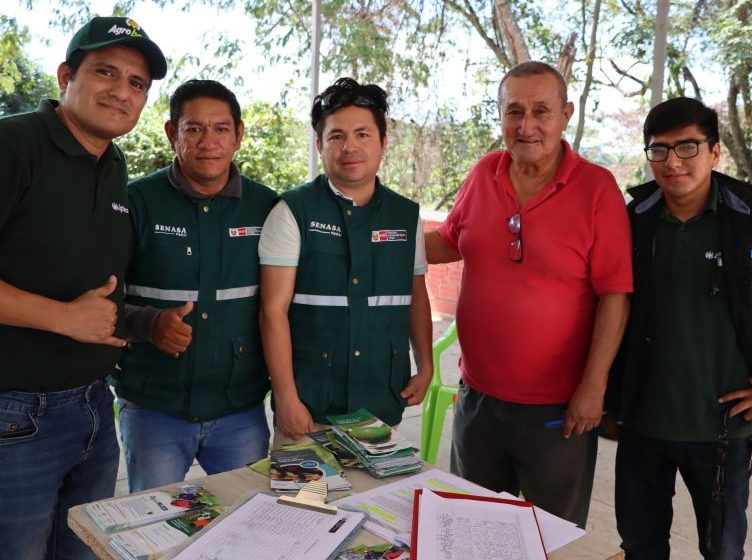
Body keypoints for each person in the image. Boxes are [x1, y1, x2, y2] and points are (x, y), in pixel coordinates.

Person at [607, 96, 752, 560]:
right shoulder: (632, 220)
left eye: (688, 147)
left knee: (723, 550)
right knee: (639, 546)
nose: (673, 162)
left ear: (715, 153)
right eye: (659, 150)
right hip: (642, 424)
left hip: (722, 430)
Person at [425, 61, 633, 526]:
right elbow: (447, 242)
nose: (527, 125)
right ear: (499, 116)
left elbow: (616, 296)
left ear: (567, 115)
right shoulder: (484, 172)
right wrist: (379, 238)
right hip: (477, 399)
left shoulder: (597, 189)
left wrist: (593, 388)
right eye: (513, 111)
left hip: (558, 410)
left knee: (548, 538)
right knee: (472, 532)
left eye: (541, 110)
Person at [0, 16, 166, 559]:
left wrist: (142, 323)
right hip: (16, 414)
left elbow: (94, 283)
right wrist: (60, 317)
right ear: (65, 75)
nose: (122, 91)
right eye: (106, 72)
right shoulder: (13, 145)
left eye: (137, 84)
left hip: (96, 407)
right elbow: (70, 307)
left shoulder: (113, 165)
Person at [113, 80, 276, 491]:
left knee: (250, 525)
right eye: (194, 129)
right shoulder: (135, 203)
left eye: (221, 129)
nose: (209, 141)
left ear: (239, 135)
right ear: (172, 133)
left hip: (240, 409)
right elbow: (97, 297)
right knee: (155, 535)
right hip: (154, 407)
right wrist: (148, 323)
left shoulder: (269, 208)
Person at [259, 77, 433, 441]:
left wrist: (427, 364)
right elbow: (272, 312)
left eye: (362, 134)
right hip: (310, 409)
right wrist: (287, 398)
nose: (349, 147)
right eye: (336, 136)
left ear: (383, 142)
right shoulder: (293, 211)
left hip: (381, 404)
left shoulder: (404, 216)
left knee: (374, 498)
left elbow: (416, 294)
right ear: (320, 144)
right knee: (304, 498)